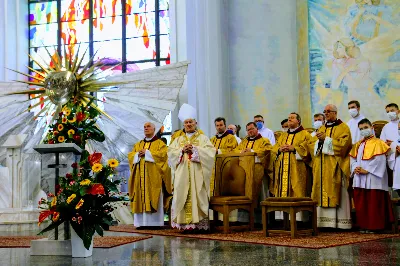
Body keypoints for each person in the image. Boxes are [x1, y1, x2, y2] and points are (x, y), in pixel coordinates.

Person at [168, 104, 216, 232]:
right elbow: (170, 153)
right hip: (182, 173)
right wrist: (181, 150)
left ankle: (198, 224)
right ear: (183, 125)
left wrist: (195, 149)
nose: (188, 124)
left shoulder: (203, 138)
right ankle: (184, 224)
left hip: (197, 173)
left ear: (196, 123)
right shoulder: (178, 140)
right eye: (186, 122)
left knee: (197, 194)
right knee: (181, 193)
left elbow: (211, 153)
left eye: (191, 122)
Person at [309, 104, 353, 229]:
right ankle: (323, 222)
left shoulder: (343, 127)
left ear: (335, 112)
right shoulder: (321, 128)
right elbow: (312, 144)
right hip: (321, 165)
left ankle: (340, 224)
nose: (326, 113)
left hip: (335, 165)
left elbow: (344, 145)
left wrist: (327, 139)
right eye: (325, 111)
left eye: (329, 111)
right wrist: (320, 141)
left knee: (337, 189)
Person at [350, 118, 393, 232]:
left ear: (371, 128)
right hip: (359, 176)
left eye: (365, 128)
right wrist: (355, 168)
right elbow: (352, 159)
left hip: (373, 177)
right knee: (362, 202)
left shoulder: (378, 143)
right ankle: (364, 225)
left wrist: (367, 170)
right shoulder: (358, 144)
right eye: (361, 129)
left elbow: (379, 160)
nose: (363, 130)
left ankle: (375, 226)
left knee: (373, 202)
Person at [128, 122, 171, 228]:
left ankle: (155, 223)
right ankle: (140, 223)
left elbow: (163, 156)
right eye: (144, 127)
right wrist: (137, 154)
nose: (146, 128)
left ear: (154, 129)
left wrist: (147, 153)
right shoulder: (138, 144)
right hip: (139, 178)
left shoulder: (160, 144)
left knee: (153, 195)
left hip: (154, 178)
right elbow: (130, 156)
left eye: (148, 127)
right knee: (139, 196)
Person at [271, 113, 312, 221]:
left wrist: (294, 149)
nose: (289, 120)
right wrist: (279, 149)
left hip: (297, 169)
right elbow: (274, 149)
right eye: (288, 118)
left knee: (297, 189)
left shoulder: (305, 134)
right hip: (282, 168)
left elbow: (309, 149)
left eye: (292, 118)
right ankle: (282, 219)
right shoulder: (283, 135)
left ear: (298, 121)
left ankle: (299, 219)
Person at [234, 122, 272, 222]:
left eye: (252, 129)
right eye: (248, 130)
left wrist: (252, 151)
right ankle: (244, 220)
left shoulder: (264, 140)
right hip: (245, 171)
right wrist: (241, 152)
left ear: (257, 129)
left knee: (260, 193)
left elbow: (268, 151)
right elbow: (236, 151)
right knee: (245, 193)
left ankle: (261, 220)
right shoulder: (243, 141)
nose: (250, 131)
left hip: (258, 171)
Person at [210, 117, 238, 197]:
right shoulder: (212, 139)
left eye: (221, 125)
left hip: (226, 167)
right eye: (217, 125)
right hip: (213, 167)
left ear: (225, 126)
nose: (219, 127)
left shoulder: (231, 138)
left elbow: (234, 151)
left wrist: (218, 151)